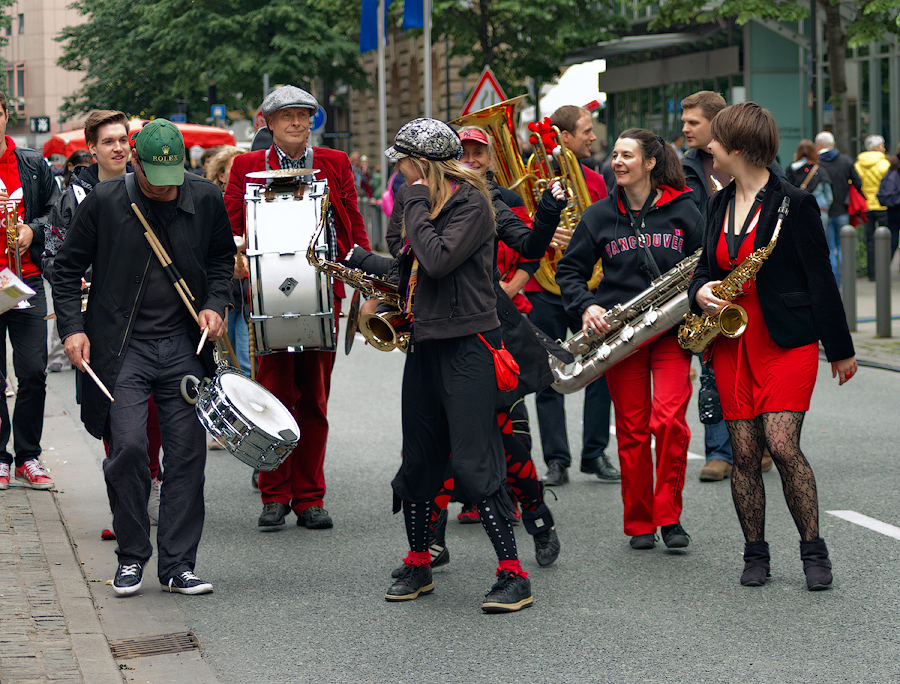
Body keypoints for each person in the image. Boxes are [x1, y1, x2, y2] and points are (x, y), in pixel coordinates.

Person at [52, 119, 235, 596]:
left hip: (183, 347)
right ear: (135, 162)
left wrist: (216, 305)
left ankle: (177, 566)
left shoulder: (205, 197)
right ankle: (132, 556)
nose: (165, 186)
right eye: (155, 176)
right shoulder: (106, 202)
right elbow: (66, 268)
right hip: (121, 347)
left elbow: (221, 261)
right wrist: (72, 328)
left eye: (172, 175)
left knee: (187, 454)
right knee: (129, 448)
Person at [688, 102, 856, 590]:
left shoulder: (794, 203)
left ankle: (813, 551)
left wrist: (840, 349)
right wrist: (701, 291)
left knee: (781, 445)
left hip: (785, 339)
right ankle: (755, 553)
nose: (708, 148)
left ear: (737, 147)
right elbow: (705, 268)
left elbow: (821, 279)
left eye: (715, 140)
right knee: (743, 455)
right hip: (731, 341)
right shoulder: (716, 202)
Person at [379, 117, 533, 612]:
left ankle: (513, 575)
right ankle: (419, 560)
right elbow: (403, 257)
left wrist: (416, 202)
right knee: (420, 458)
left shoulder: (473, 205)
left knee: (473, 460)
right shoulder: (417, 201)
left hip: (469, 346)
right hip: (426, 342)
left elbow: (439, 259)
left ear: (421, 165)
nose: (398, 174)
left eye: (403, 164)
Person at [224, 85, 371, 531]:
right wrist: (236, 260)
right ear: (267, 122)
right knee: (271, 397)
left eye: (303, 115)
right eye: (286, 115)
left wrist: (363, 268)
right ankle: (274, 495)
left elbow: (352, 220)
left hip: (324, 292)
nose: (296, 122)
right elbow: (229, 226)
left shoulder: (335, 162)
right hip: (269, 294)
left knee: (315, 400)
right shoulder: (247, 166)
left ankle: (310, 496)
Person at [557, 128, 702, 551]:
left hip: (673, 333)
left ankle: (669, 516)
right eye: (615, 155)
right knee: (633, 430)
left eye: (627, 155)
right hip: (621, 335)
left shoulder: (684, 209)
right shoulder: (598, 216)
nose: (617, 162)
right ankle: (640, 522)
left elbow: (706, 262)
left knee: (670, 421)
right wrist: (587, 305)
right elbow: (569, 271)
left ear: (651, 163)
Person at [44, 110, 163, 535]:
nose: (118, 147)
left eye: (123, 139)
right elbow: (55, 257)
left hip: (152, 318)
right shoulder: (73, 196)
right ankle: (125, 508)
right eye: (108, 140)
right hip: (100, 320)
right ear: (91, 148)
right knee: (116, 415)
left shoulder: (150, 183)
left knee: (153, 414)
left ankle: (147, 484)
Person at [522, 104, 619, 488]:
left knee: (600, 370)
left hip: (586, 289)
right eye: (585, 131)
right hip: (543, 287)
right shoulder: (535, 179)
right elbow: (521, 225)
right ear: (563, 137)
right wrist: (545, 229)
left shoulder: (596, 180)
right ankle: (556, 460)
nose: (593, 137)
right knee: (549, 375)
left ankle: (594, 453)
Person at [0, 91, 61, 492]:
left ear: (5, 115)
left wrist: (31, 230)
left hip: (25, 281)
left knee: (34, 369)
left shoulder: (31, 163)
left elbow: (55, 214)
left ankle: (27, 455)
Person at [679, 90, 740, 481]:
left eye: (692, 122)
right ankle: (719, 450)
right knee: (712, 366)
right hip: (704, 277)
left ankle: (759, 443)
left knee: (751, 366)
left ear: (716, 124)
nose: (684, 128)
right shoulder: (679, 166)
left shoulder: (747, 157)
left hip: (749, 274)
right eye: (684, 121)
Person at [46, 150, 92, 373]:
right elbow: (53, 254)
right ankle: (58, 355)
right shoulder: (68, 197)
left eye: (122, 139)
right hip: (79, 284)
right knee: (66, 317)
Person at [815, 131, 863, 286]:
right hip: (843, 210)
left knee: (830, 247)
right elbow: (858, 183)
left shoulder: (817, 163)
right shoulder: (846, 161)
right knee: (844, 246)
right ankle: (848, 280)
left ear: (820, 145)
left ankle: (836, 283)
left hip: (825, 212)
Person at [855, 134, 892, 281]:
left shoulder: (858, 165)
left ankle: (871, 273)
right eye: (882, 146)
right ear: (877, 148)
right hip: (882, 206)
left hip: (865, 206)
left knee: (869, 240)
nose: (884, 148)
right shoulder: (885, 164)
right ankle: (883, 271)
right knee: (884, 239)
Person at [786, 139, 832, 220]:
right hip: (819, 208)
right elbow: (829, 196)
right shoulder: (819, 169)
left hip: (799, 208)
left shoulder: (791, 169)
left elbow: (787, 190)